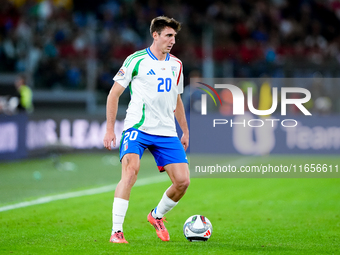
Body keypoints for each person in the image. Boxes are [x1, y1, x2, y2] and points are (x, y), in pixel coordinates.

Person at [103, 16, 190, 243]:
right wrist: (110, 129)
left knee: (182, 182)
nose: (172, 40)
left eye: (174, 36)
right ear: (155, 35)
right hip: (138, 127)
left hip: (166, 131)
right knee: (130, 172)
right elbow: (114, 94)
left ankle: (156, 215)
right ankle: (116, 231)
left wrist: (185, 130)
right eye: (168, 35)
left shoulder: (177, 65)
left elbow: (177, 99)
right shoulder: (136, 60)